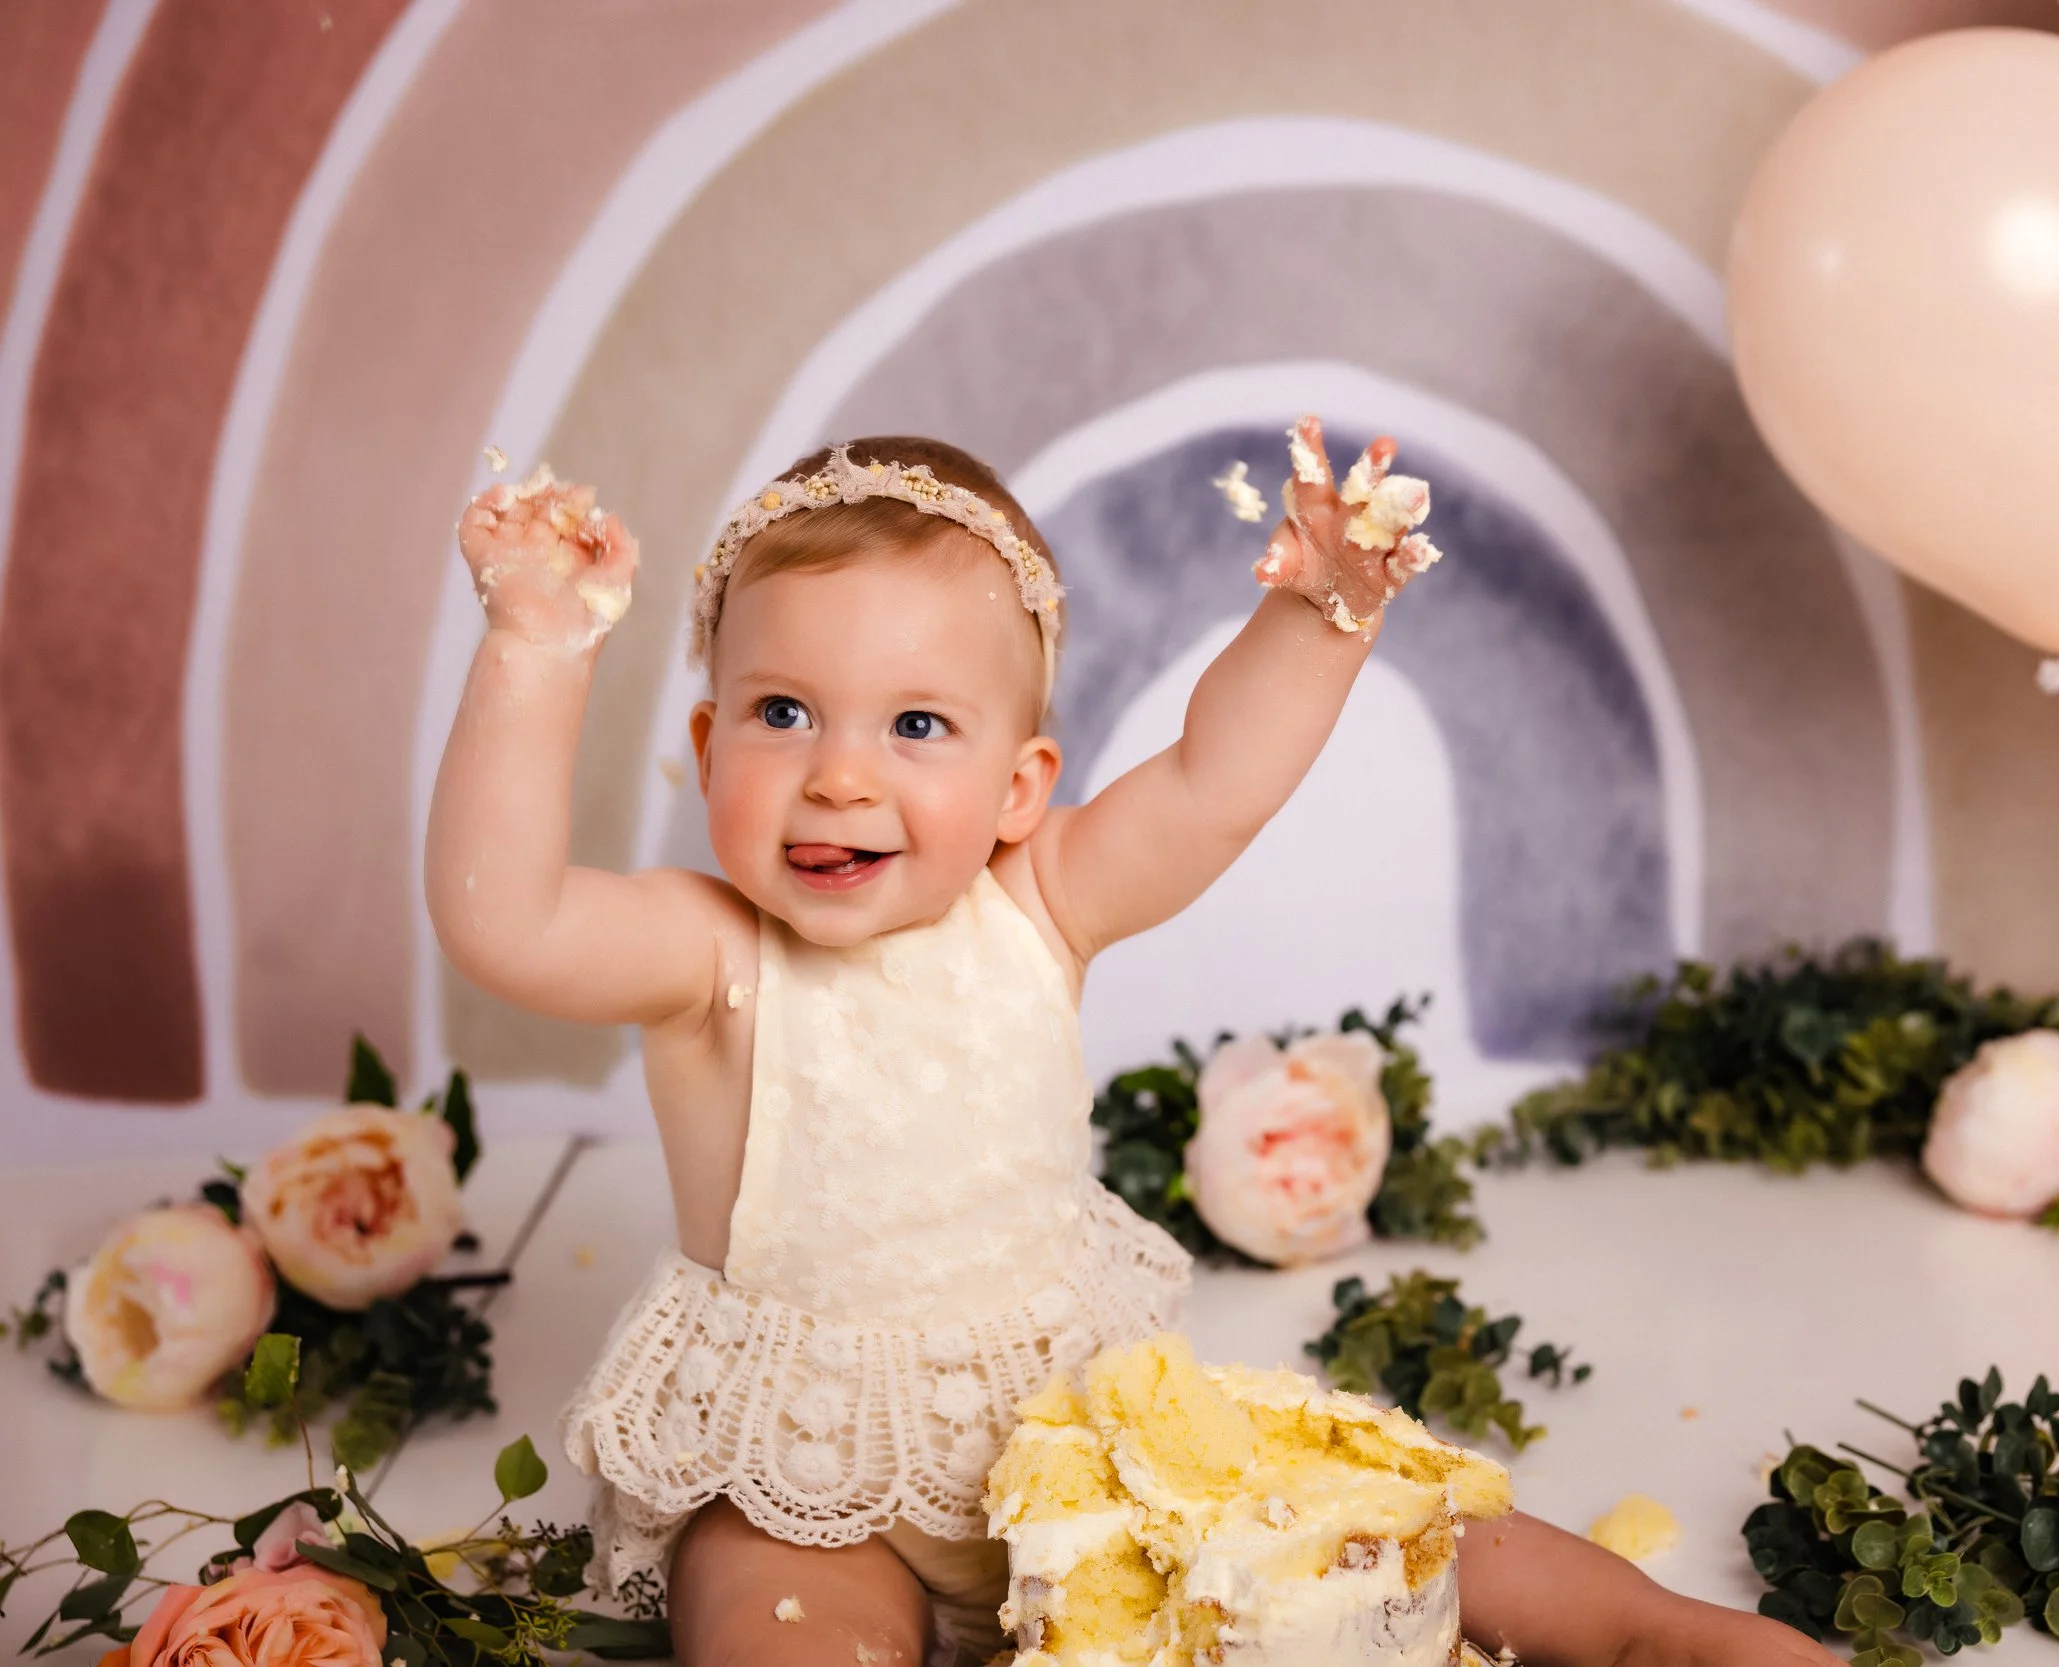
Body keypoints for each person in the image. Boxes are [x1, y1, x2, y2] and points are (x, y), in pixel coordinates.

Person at [426, 422, 1825, 1666]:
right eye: (783, 712)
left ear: (1021, 784)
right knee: (772, 1626)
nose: (839, 773)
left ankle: (1662, 1632)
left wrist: (1323, 611)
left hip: (1086, 1435)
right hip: (810, 1472)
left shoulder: (1042, 902)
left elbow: (1216, 783)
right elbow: (510, 920)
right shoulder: (707, 950)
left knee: (1373, 1526)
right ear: (709, 735)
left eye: (918, 725)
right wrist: (536, 649)